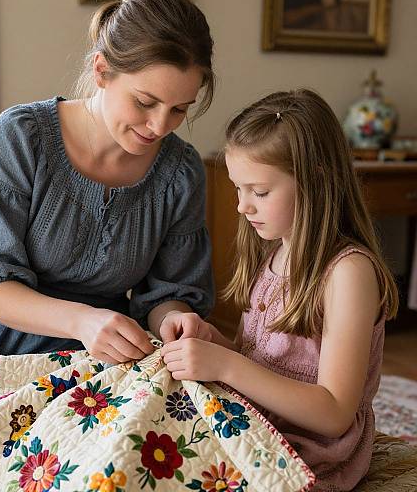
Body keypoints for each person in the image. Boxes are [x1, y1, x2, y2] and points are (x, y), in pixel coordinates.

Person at [0, 0, 216, 490]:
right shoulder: (23, 136)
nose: (160, 126)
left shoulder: (180, 174)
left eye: (180, 109)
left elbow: (167, 294)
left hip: (96, 346)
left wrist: (176, 320)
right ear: (101, 71)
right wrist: (80, 318)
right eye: (145, 102)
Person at [161, 89, 399, 491]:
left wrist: (225, 366)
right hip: (258, 421)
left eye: (260, 191)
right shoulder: (273, 253)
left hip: (311, 451)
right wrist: (216, 344)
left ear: (316, 179)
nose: (242, 206)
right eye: (238, 188)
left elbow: (335, 412)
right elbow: (262, 363)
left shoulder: (348, 273)